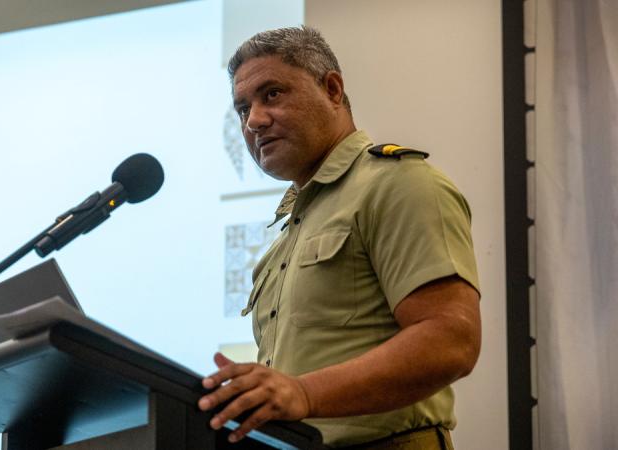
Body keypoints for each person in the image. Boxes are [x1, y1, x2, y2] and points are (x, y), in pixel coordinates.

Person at [198, 26, 481, 449]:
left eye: (272, 94)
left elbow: (451, 340)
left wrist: (304, 393)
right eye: (242, 108)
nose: (254, 119)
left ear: (332, 89)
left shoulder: (397, 185)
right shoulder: (290, 230)